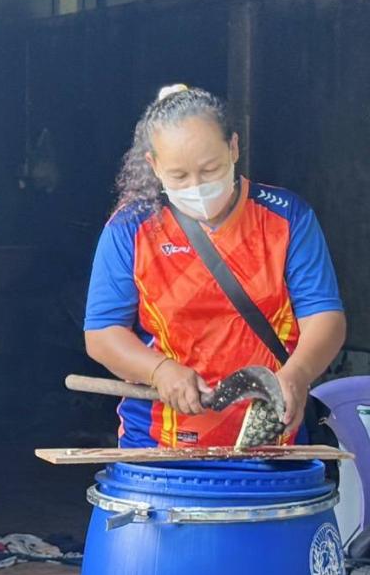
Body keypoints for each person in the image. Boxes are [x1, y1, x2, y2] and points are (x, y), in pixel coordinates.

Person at [84, 84, 346, 447]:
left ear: (234, 147)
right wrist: (159, 371)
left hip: (275, 439)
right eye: (179, 176)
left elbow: (325, 317)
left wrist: (297, 374)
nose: (197, 186)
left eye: (210, 170)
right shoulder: (130, 229)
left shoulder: (286, 217)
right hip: (159, 444)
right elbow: (101, 334)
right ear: (154, 166)